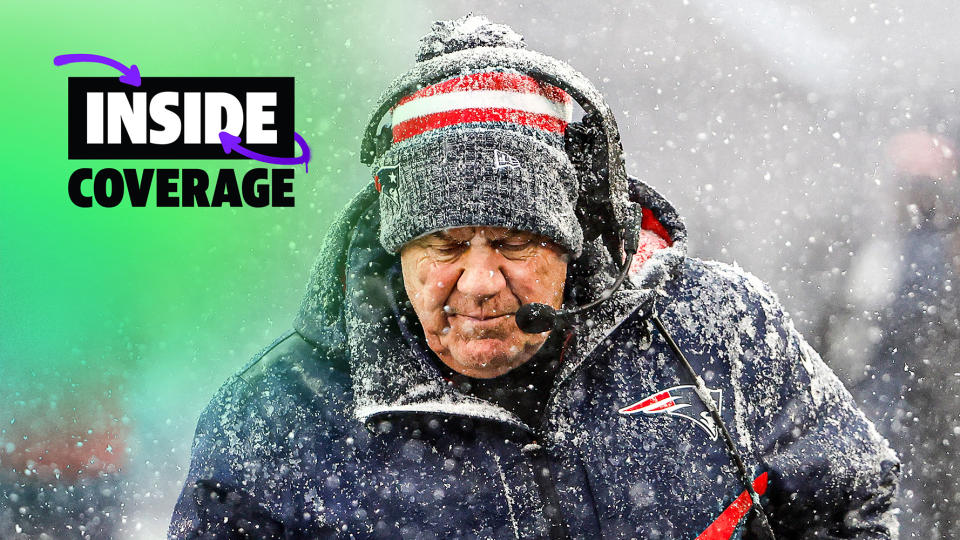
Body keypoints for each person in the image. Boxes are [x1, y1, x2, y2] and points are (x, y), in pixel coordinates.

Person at [169, 15, 899, 539]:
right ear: (396, 248)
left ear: (575, 232)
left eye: (515, 242)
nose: (481, 282)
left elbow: (853, 504)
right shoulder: (275, 418)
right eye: (445, 245)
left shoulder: (721, 332)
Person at [825, 129, 960, 539]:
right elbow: (853, 331)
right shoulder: (879, 249)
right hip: (889, 406)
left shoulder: (938, 251)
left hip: (929, 411)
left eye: (922, 185)